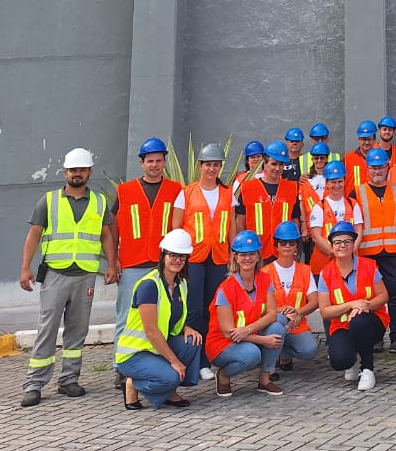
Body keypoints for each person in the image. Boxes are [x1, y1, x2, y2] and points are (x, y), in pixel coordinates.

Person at [19, 147, 118, 407]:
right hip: (55, 274)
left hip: (85, 276)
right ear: (65, 172)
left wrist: (112, 264)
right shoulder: (48, 200)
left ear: (89, 172)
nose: (77, 174)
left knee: (77, 332)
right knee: (47, 330)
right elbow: (34, 235)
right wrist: (25, 267)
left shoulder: (98, 202)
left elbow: (107, 234)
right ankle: (34, 384)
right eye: (73, 170)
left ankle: (69, 380)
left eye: (82, 170)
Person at [111, 137, 181, 389]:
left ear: (165, 162)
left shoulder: (175, 190)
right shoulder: (124, 191)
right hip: (132, 263)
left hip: (163, 265)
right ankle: (120, 367)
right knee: (125, 317)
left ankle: (156, 362)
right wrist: (113, 261)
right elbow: (113, 230)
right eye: (149, 160)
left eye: (158, 160)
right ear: (141, 163)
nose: (154, 165)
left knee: (162, 316)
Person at [115, 228, 203, 410]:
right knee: (171, 375)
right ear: (163, 255)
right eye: (173, 255)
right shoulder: (150, 285)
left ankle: (169, 390)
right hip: (135, 353)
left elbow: (172, 317)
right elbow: (151, 331)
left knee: (192, 342)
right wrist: (174, 361)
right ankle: (133, 383)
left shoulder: (181, 284)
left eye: (182, 256)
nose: (178, 260)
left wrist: (186, 327)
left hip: (153, 347)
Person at [205, 230, 285, 397]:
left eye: (251, 254)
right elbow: (228, 332)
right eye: (242, 254)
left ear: (258, 256)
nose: (247, 258)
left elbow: (272, 314)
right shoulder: (226, 288)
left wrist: (248, 330)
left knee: (277, 327)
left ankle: (265, 380)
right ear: (235, 257)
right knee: (252, 354)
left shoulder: (264, 279)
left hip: (246, 336)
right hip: (221, 344)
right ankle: (224, 375)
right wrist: (261, 339)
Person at [317, 221, 388, 391]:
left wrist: (364, 306)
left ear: (354, 243)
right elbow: (325, 311)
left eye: (347, 241)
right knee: (339, 360)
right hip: (341, 326)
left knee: (359, 321)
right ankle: (353, 359)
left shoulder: (369, 266)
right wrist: (351, 304)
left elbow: (384, 296)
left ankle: (367, 369)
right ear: (332, 246)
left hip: (372, 321)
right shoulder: (326, 273)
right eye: (338, 242)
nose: (343, 246)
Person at [172, 143, 234, 339]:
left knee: (213, 305)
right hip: (193, 258)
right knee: (194, 306)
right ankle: (192, 349)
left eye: (216, 165)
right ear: (200, 166)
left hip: (218, 256)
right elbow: (176, 228)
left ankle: (209, 350)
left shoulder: (228, 193)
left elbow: (231, 225)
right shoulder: (186, 193)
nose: (212, 169)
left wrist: (233, 253)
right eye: (208, 164)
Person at [356, 147, 396, 354]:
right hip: (367, 254)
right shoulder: (358, 193)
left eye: (381, 167)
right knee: (371, 297)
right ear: (367, 169)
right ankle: (375, 338)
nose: (377, 171)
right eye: (373, 167)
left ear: (387, 167)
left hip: (391, 253)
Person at [266, 221, 321, 370]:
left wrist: (297, 312)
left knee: (309, 351)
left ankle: (282, 353)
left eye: (291, 242)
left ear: (297, 246)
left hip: (297, 324)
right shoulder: (265, 273)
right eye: (283, 243)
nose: (287, 246)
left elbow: (314, 301)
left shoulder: (305, 270)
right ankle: (268, 368)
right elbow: (259, 305)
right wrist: (281, 312)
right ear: (276, 245)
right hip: (272, 324)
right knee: (279, 321)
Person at [236, 142, 300, 264]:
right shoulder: (247, 188)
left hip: (283, 251)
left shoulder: (292, 188)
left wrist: (295, 249)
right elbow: (240, 221)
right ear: (264, 164)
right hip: (255, 251)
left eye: (281, 165)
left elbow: (295, 219)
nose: (277, 168)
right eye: (274, 164)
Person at [308, 159, 361, 274]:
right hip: (324, 264)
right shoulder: (319, 207)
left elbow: (359, 231)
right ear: (326, 183)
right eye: (333, 182)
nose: (337, 185)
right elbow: (316, 236)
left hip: (349, 265)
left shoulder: (353, 204)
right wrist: (335, 253)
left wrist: (349, 252)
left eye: (339, 181)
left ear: (344, 181)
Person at [343, 121, 378, 189]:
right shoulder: (347, 159)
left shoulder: (379, 158)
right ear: (359, 139)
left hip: (373, 198)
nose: (367, 142)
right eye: (364, 139)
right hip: (353, 199)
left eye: (369, 139)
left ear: (374, 140)